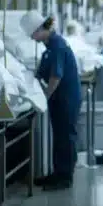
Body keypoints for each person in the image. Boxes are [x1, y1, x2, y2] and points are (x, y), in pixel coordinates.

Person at [20, 11, 82, 191]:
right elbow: (43, 71)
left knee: (66, 136)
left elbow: (56, 76)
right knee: (59, 136)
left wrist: (44, 97)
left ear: (41, 29)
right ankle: (57, 173)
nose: (33, 39)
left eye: (33, 34)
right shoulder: (50, 47)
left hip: (66, 98)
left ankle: (65, 177)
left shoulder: (58, 46)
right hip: (60, 98)